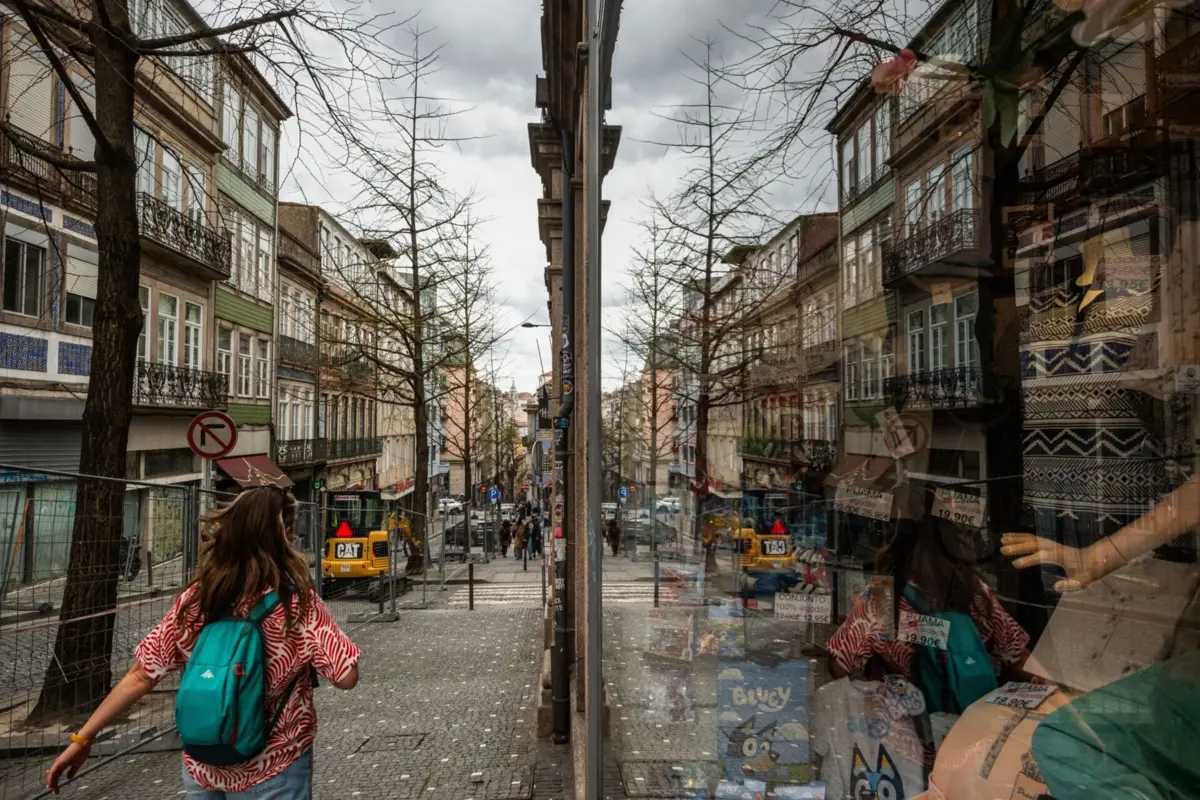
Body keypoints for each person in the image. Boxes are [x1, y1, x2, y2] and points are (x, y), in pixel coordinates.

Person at [46, 487, 360, 798]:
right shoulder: (297, 605)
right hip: (274, 765)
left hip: (203, 769)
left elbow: (141, 675)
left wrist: (83, 739)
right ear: (286, 535)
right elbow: (345, 677)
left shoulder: (197, 600)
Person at [827, 494, 1032, 686]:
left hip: (909, 716)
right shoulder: (976, 591)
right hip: (968, 716)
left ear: (898, 537)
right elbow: (1017, 657)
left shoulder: (884, 595)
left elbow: (841, 664)